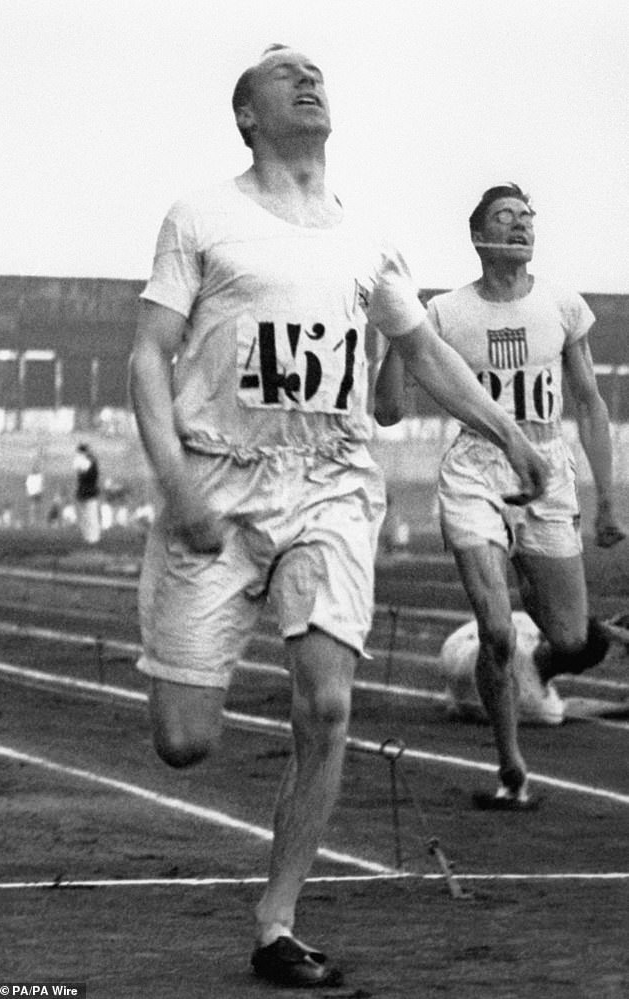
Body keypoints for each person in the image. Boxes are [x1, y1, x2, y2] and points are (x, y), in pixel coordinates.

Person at [129, 54, 547, 988]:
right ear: (247, 114)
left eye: (316, 73)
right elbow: (147, 356)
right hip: (218, 480)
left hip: (330, 480)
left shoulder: (364, 237)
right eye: (285, 77)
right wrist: (173, 480)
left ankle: (277, 921)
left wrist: (508, 434)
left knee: (327, 702)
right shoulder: (201, 217)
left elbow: (425, 352)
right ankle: (181, 621)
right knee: (184, 740)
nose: (308, 82)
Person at [375, 182, 625, 811]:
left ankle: (524, 612)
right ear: (478, 234)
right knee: (495, 631)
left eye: (527, 218)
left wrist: (608, 501)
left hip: (548, 469)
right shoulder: (443, 314)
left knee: (568, 637)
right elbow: (386, 411)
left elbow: (591, 405)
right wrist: (396, 328)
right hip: (476, 472)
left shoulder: (563, 305)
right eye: (506, 218)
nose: (521, 227)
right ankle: (510, 765)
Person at [74, 443, 101, 544]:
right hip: (86, 491)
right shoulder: (87, 461)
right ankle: (88, 537)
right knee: (87, 516)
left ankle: (93, 537)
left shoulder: (87, 462)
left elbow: (87, 473)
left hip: (88, 491)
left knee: (90, 515)